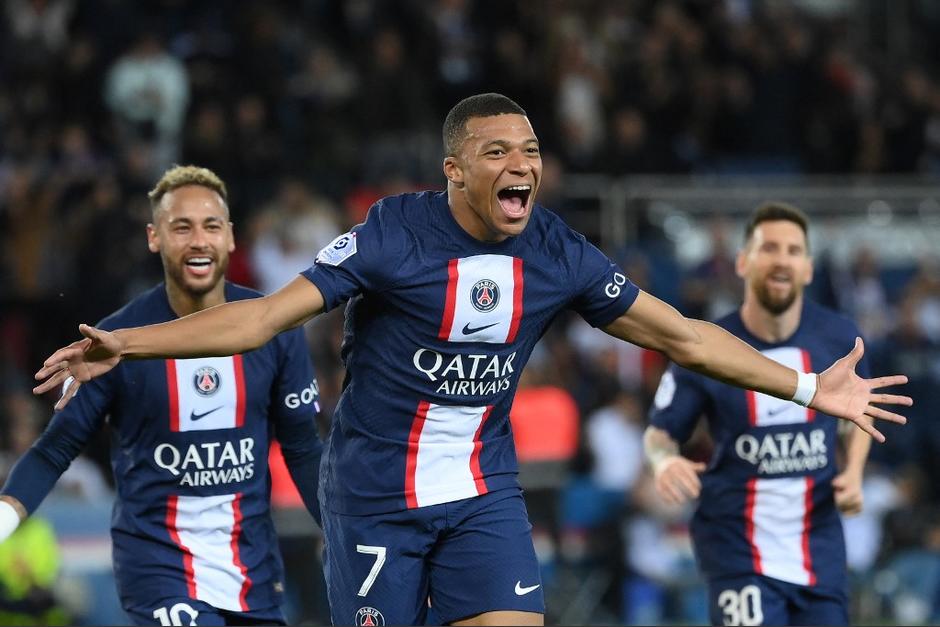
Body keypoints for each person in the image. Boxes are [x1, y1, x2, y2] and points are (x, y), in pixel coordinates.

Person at [31, 94, 910, 627]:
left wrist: (807, 385)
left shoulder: (556, 251)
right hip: (374, 498)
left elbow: (683, 334)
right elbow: (259, 317)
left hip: (483, 492)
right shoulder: (392, 235)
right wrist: (126, 342)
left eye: (530, 151)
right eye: (498, 152)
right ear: (454, 170)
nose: (521, 165)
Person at [1, 165, 324, 626]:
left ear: (231, 237)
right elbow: (55, 448)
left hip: (252, 573)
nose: (199, 241)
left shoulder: (275, 331)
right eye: (182, 227)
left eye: (211, 226)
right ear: (154, 237)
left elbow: (302, 447)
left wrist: (343, 530)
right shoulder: (115, 340)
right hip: (159, 570)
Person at [644, 202, 886, 626]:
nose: (781, 260)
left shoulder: (840, 338)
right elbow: (660, 432)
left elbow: (859, 414)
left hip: (819, 544)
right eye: (769, 248)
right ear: (743, 262)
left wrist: (854, 472)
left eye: (793, 251)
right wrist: (664, 461)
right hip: (738, 546)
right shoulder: (708, 346)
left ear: (808, 268)